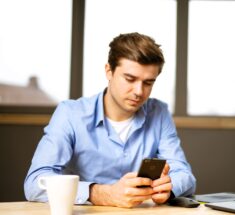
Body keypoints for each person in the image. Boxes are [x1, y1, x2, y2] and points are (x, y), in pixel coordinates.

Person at [24, 32, 196, 208]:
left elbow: (184, 174)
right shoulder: (70, 113)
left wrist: (168, 188)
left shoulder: (159, 112)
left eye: (148, 83)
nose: (138, 91)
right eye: (130, 79)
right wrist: (100, 193)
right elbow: (34, 184)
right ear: (109, 71)